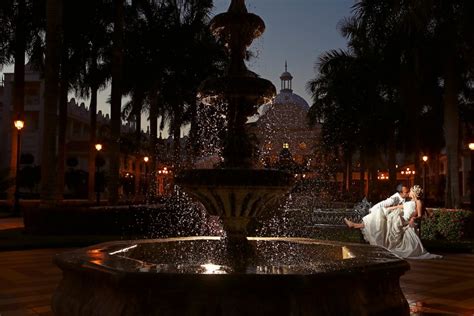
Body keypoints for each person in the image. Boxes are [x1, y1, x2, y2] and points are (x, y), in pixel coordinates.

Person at [385, 185, 441, 259]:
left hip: (408, 220)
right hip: (404, 219)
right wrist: (388, 208)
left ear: (414, 193)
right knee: (392, 216)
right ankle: (390, 244)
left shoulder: (418, 202)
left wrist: (413, 218)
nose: (409, 192)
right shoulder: (409, 201)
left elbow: (420, 215)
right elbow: (399, 207)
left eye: (410, 191)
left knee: (395, 219)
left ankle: (393, 244)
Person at [344, 184, 410, 246]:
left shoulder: (405, 198)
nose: (408, 193)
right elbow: (382, 204)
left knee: (378, 226)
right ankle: (354, 225)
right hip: (385, 214)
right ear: (400, 193)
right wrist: (372, 210)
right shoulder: (394, 199)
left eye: (408, 191)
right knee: (377, 224)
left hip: (393, 218)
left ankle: (355, 225)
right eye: (406, 192)